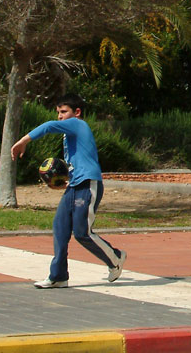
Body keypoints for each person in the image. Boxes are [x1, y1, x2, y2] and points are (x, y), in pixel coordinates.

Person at [11, 94, 126, 288]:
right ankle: (58, 276)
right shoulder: (69, 133)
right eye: (58, 112)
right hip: (74, 185)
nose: (59, 116)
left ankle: (115, 257)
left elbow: (47, 127)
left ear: (77, 112)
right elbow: (76, 161)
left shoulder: (78, 124)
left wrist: (24, 141)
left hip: (88, 184)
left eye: (63, 112)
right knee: (60, 228)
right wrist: (63, 180)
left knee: (82, 233)